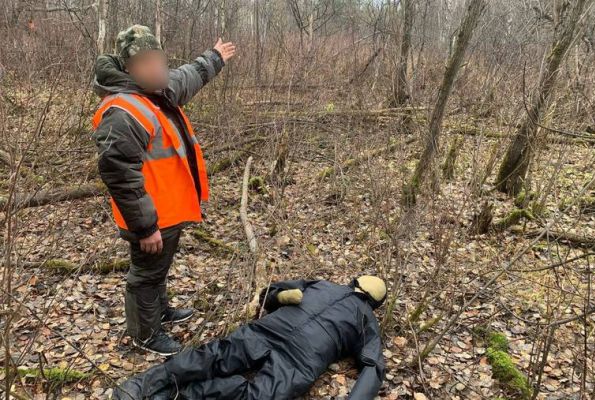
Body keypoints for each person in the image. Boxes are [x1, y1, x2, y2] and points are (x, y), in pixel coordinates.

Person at [91, 24, 236, 355]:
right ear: (128, 68)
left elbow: (188, 75)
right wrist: (145, 227)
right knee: (145, 275)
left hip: (167, 211)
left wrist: (214, 57)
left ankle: (161, 313)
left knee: (158, 270)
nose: (157, 68)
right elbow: (118, 174)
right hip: (150, 217)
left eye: (159, 60)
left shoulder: (157, 91)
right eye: (147, 62)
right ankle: (145, 335)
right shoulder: (123, 110)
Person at [112, 275, 387, 400]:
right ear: (376, 303)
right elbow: (372, 367)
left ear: (354, 282)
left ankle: (145, 386)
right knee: (258, 394)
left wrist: (279, 297)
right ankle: (180, 394)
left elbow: (270, 293)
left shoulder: (322, 284)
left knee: (213, 356)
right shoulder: (367, 321)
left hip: (270, 332)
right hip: (301, 358)